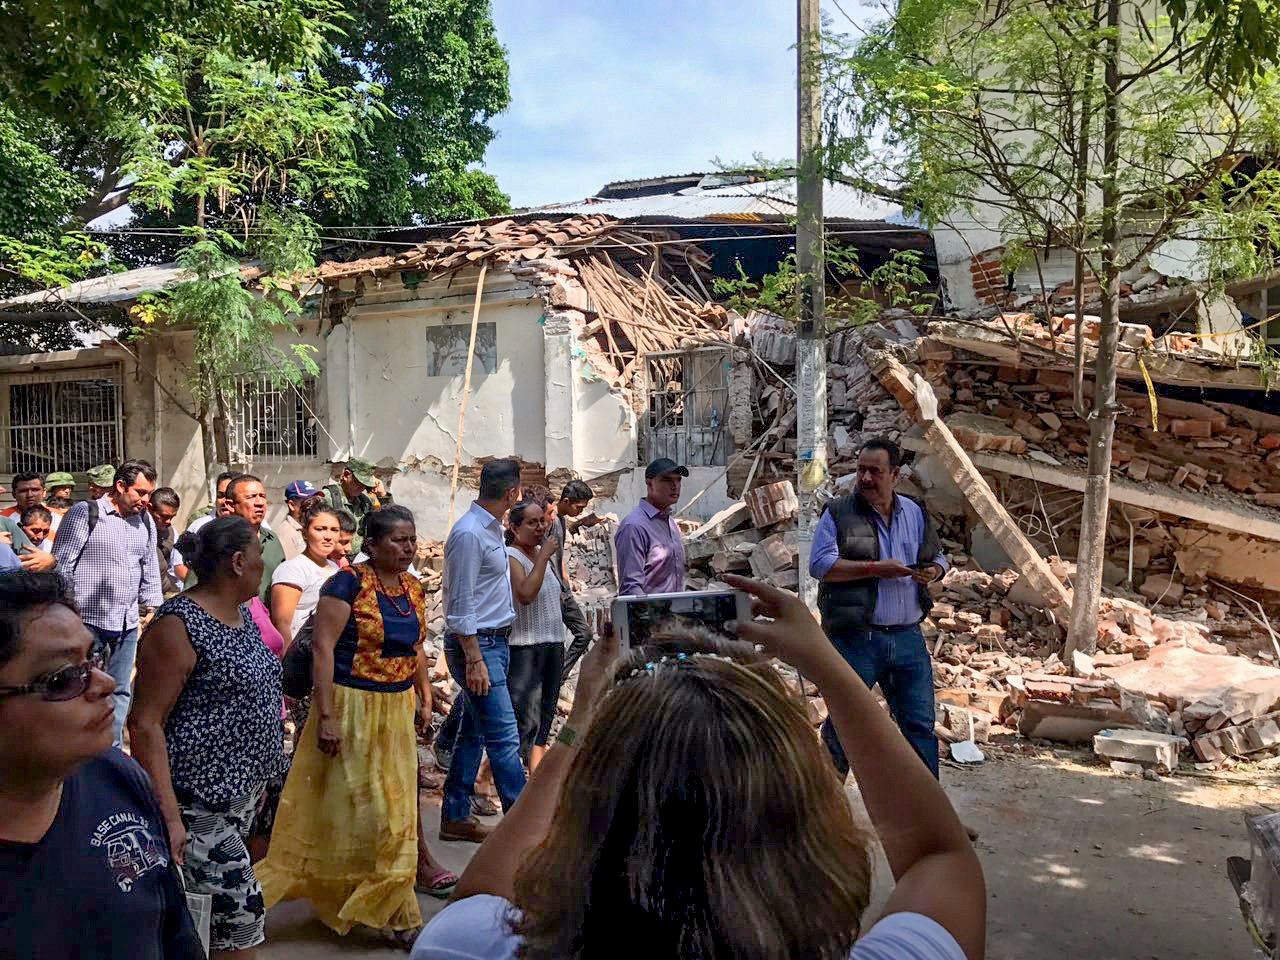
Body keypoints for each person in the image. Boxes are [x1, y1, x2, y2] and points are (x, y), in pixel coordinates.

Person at [411, 574, 986, 960]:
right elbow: (942, 857)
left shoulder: (470, 947)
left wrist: (583, 718)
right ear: (806, 814)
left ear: (587, 816)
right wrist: (830, 669)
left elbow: (482, 890)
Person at [256, 506, 458, 946]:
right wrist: (326, 716)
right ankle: (400, 916)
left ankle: (380, 898)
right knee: (374, 811)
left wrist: (423, 691)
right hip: (352, 708)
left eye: (411, 539)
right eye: (397, 540)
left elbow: (415, 644)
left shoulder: (412, 587)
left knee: (398, 808)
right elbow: (323, 649)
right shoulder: (346, 583)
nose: (407, 548)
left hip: (395, 709)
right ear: (371, 544)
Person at [0, 571, 203, 959]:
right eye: (63, 679)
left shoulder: (115, 775)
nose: (105, 683)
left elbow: (175, 932)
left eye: (94, 658)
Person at [128, 519, 287, 958]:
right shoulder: (178, 626)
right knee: (240, 930)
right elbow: (144, 725)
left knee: (212, 930)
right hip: (199, 810)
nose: (265, 565)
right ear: (238, 562)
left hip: (245, 801)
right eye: (259, 556)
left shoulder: (243, 613)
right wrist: (170, 818)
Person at [810, 437, 948, 779]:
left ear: (895, 475)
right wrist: (874, 569)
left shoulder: (915, 512)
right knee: (843, 728)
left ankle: (928, 819)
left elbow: (939, 556)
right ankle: (827, 817)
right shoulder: (839, 512)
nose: (866, 478)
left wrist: (934, 571)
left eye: (876, 471)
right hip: (857, 640)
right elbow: (820, 565)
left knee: (919, 729)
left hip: (907, 640)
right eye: (861, 470)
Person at [440, 459, 528, 843]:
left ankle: (455, 814)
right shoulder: (470, 534)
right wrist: (474, 658)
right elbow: (460, 605)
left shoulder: (490, 529)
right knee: (505, 737)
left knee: (473, 733)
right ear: (512, 494)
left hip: (495, 642)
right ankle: (521, 830)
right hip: (478, 647)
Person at [52, 459, 162, 746]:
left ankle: (109, 751)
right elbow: (62, 565)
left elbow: (149, 564)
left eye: (149, 493)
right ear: (120, 486)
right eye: (140, 492)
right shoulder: (85, 513)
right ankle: (77, 750)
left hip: (126, 622)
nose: (145, 499)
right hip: (87, 621)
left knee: (120, 689)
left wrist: (152, 606)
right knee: (82, 687)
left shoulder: (145, 520)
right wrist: (68, 614)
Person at [504, 500, 566, 770]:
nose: (540, 527)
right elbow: (526, 594)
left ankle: (534, 782)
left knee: (545, 719)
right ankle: (486, 779)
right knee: (525, 722)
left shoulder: (542, 552)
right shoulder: (511, 556)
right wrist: (543, 558)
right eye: (532, 522)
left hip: (553, 644)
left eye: (542, 520)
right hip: (526, 649)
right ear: (515, 529)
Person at [615, 457, 688, 596]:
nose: (675, 485)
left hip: (675, 613)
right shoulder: (634, 527)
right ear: (650, 485)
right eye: (667, 480)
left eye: (678, 480)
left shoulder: (670, 523)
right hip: (651, 615)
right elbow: (631, 589)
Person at [270, 504, 340, 644]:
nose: (328, 536)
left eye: (334, 530)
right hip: (301, 655)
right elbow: (282, 625)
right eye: (320, 529)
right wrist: (288, 661)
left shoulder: (334, 568)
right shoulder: (292, 569)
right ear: (305, 533)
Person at [550, 480, 597, 680]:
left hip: (561, 588)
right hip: (550, 590)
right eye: (579, 507)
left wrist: (566, 584)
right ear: (567, 501)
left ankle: (559, 677)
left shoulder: (561, 521)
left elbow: (558, 556)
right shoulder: (549, 520)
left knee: (584, 633)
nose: (580, 512)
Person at [217, 475, 285, 603]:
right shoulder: (217, 541)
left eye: (262, 496)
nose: (259, 503)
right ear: (230, 505)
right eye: (251, 497)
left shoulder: (272, 539)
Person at [320, 456, 390, 557]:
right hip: (335, 559)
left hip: (360, 558)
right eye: (358, 482)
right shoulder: (327, 497)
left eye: (365, 485)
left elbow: (390, 523)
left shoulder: (365, 502)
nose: (361, 488)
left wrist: (383, 495)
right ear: (346, 475)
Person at [150, 487, 184, 600]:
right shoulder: (136, 530)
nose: (169, 521)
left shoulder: (171, 533)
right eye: (164, 516)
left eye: (172, 517)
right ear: (149, 509)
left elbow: (175, 567)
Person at [278, 480, 320, 561]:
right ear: (292, 505)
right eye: (308, 504)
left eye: (316, 502)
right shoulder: (287, 534)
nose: (314, 508)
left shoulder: (308, 527)